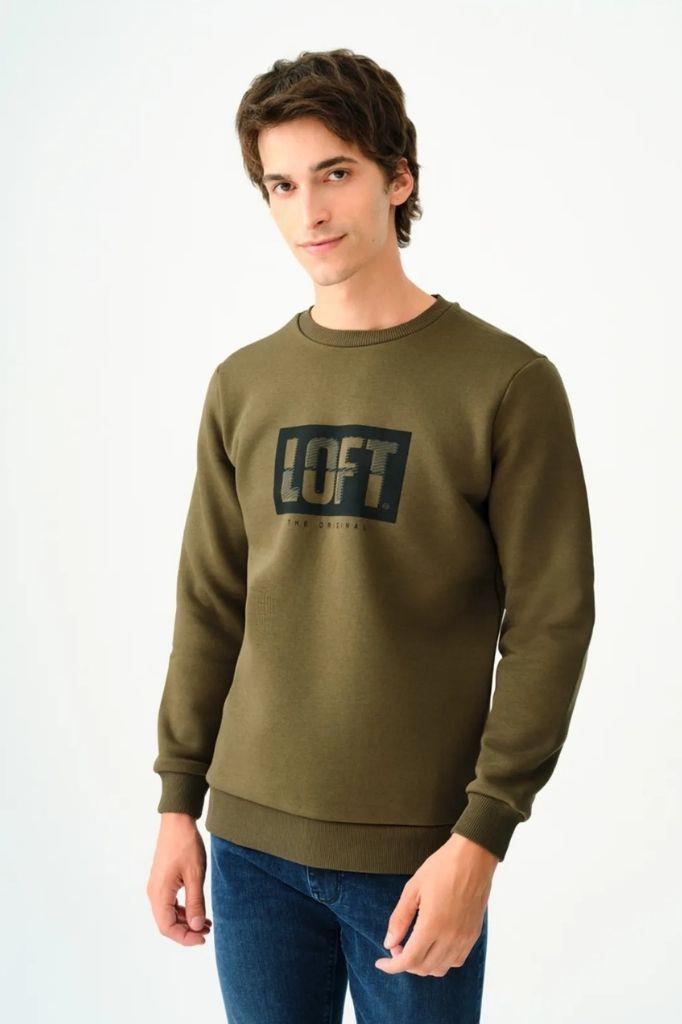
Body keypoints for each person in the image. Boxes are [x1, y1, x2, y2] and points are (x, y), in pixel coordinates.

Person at [146, 48, 595, 1023]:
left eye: (335, 173)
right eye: (282, 184)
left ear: (398, 177)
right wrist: (178, 801)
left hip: (416, 854)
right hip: (249, 849)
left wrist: (481, 837)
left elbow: (551, 625)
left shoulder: (505, 385)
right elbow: (210, 602)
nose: (308, 211)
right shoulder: (244, 385)